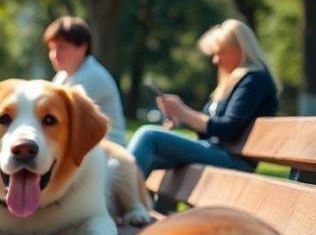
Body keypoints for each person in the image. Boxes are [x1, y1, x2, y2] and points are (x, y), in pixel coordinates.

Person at [128, 19, 279, 177]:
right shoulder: (232, 82)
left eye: (220, 52)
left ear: (241, 49)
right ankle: (132, 200)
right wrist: (182, 119)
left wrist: (184, 113)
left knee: (149, 136)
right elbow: (209, 132)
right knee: (152, 157)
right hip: (216, 151)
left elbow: (228, 128)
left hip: (234, 160)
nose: (215, 60)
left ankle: (115, 199)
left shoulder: (254, 79)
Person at [45, 16, 126, 144]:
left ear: (82, 47)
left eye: (61, 48)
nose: (55, 55)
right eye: (52, 49)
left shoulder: (92, 76)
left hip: (109, 152)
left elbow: (62, 118)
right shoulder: (63, 76)